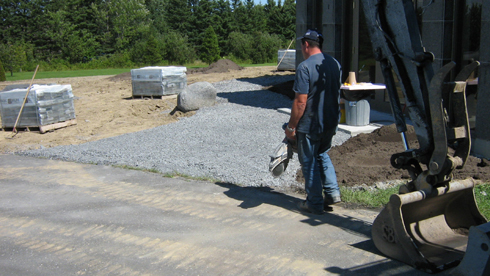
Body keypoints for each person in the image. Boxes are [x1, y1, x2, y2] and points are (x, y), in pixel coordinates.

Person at [285, 29, 342, 215]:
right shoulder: (334, 64)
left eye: (302, 45)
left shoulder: (304, 67)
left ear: (306, 45)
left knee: (309, 161)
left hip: (310, 124)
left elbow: (301, 102)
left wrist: (291, 127)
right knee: (322, 154)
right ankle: (332, 194)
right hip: (330, 121)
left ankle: (315, 203)